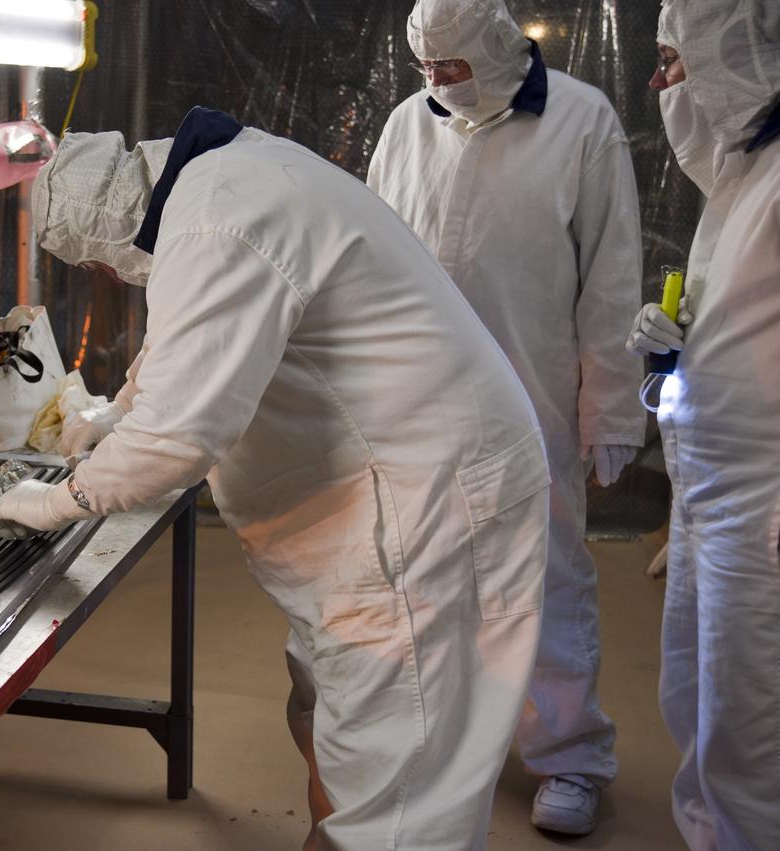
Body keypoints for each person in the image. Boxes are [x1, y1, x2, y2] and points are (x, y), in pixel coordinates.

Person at [0, 105, 551, 849]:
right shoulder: (222, 178)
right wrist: (116, 413)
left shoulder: (215, 223)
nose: (106, 275)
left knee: (397, 788)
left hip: (421, 516)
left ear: (107, 230)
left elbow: (174, 441)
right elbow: (189, 340)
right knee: (330, 720)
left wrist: (58, 500)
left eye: (95, 264)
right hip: (395, 495)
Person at [365, 0, 645, 835]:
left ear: (494, 45)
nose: (438, 82)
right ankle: (443, 745)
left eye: (451, 66)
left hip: (532, 396)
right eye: (426, 68)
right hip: (419, 399)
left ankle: (569, 753)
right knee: (423, 574)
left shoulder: (581, 122)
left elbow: (611, 277)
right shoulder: (407, 125)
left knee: (545, 572)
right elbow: (369, 256)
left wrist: (610, 407)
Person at [625, 2, 780, 848]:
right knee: (699, 696)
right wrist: (684, 339)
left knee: (755, 727)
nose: (661, 82)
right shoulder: (744, 170)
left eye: (674, 59)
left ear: (736, 46)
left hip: (763, 506)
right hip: (711, 490)